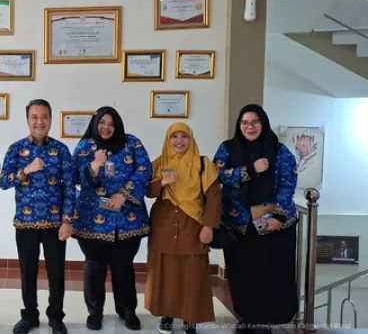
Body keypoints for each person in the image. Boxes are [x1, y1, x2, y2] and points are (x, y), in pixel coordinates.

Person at [213, 104, 299, 334]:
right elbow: (217, 175)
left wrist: (278, 216)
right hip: (239, 224)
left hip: (274, 224)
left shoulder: (279, 151)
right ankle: (247, 318)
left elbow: (288, 185)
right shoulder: (228, 148)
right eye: (245, 123)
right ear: (239, 125)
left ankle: (266, 321)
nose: (249, 127)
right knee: (242, 274)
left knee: (269, 273)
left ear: (263, 124)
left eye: (255, 122)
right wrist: (250, 169)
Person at [71, 106, 152, 331]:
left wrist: (123, 194)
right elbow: (73, 175)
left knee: (123, 266)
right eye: (102, 123)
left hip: (127, 218)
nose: (106, 128)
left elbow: (145, 170)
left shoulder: (132, 143)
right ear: (95, 124)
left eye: (111, 124)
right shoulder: (85, 146)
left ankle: (127, 310)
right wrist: (94, 165)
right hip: (92, 219)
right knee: (94, 267)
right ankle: (95, 312)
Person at [0, 99, 74, 334]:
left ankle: (56, 316)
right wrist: (26, 170)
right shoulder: (16, 149)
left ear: (50, 120)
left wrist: (67, 221)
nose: (39, 122)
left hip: (55, 224)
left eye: (44, 117)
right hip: (26, 223)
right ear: (27, 120)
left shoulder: (61, 150)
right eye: (34, 117)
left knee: (56, 272)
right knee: (27, 271)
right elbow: (3, 182)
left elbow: (70, 188)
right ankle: (29, 316)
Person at [144, 122, 222, 334]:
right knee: (166, 273)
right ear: (167, 139)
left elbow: (214, 197)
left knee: (192, 273)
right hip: (164, 224)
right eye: (174, 136)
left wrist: (208, 226)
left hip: (193, 224)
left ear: (191, 139)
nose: (179, 141)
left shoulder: (203, 164)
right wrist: (163, 182)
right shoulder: (159, 163)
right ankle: (167, 316)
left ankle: (190, 318)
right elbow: (148, 191)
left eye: (184, 136)